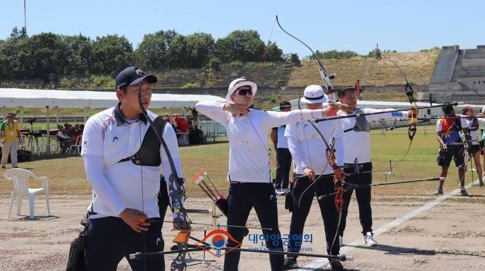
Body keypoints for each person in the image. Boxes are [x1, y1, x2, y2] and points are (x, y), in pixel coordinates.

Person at [195, 78, 337, 271]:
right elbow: (199, 105)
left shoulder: (262, 117)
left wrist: (322, 111)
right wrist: (228, 107)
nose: (247, 95)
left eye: (250, 92)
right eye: (243, 92)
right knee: (233, 239)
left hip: (263, 187)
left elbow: (294, 115)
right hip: (238, 188)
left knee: (273, 237)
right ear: (233, 96)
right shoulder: (226, 117)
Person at [81, 66, 186, 271]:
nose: (146, 95)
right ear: (120, 94)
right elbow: (94, 174)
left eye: (148, 89)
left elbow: (174, 175)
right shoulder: (97, 124)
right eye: (139, 90)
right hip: (104, 218)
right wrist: (122, 212)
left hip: (144, 221)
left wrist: (179, 214)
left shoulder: (161, 128)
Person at [335, 86, 418, 247]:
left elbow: (387, 112)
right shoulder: (334, 116)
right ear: (341, 99)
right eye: (349, 97)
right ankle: (338, 235)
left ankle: (368, 233)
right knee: (342, 203)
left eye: (354, 96)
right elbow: (320, 110)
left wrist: (408, 113)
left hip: (364, 165)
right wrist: (338, 107)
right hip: (344, 168)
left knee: (364, 202)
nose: (353, 99)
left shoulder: (363, 113)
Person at [283, 85, 344, 271]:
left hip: (327, 175)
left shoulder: (332, 115)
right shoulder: (295, 117)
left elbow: (339, 141)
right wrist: (303, 166)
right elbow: (292, 145)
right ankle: (291, 256)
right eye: (311, 104)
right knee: (298, 218)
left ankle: (333, 256)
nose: (315, 108)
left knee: (331, 217)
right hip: (304, 176)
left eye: (318, 104)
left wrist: (339, 166)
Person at [435, 104, 469, 196]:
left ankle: (462, 188)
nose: (451, 113)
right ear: (445, 113)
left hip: (459, 147)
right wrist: (443, 144)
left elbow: (466, 131)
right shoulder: (441, 121)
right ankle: (440, 188)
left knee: (461, 167)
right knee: (444, 168)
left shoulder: (459, 119)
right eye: (449, 112)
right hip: (447, 148)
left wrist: (468, 142)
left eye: (451, 111)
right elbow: (438, 135)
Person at [271, 101, 293, 196]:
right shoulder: (277, 119)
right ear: (283, 109)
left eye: (289, 107)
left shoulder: (291, 118)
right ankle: (277, 187)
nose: (289, 109)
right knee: (280, 167)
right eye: (287, 108)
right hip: (281, 146)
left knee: (287, 167)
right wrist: (275, 144)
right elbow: (273, 133)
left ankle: (285, 186)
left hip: (290, 146)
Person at [459, 106, 484, 186]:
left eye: (473, 111)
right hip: (466, 144)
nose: (472, 112)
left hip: (475, 144)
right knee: (464, 163)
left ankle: (480, 181)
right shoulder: (462, 118)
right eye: (470, 111)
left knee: (477, 163)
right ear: (466, 112)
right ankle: (462, 182)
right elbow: (455, 115)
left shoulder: (476, 118)